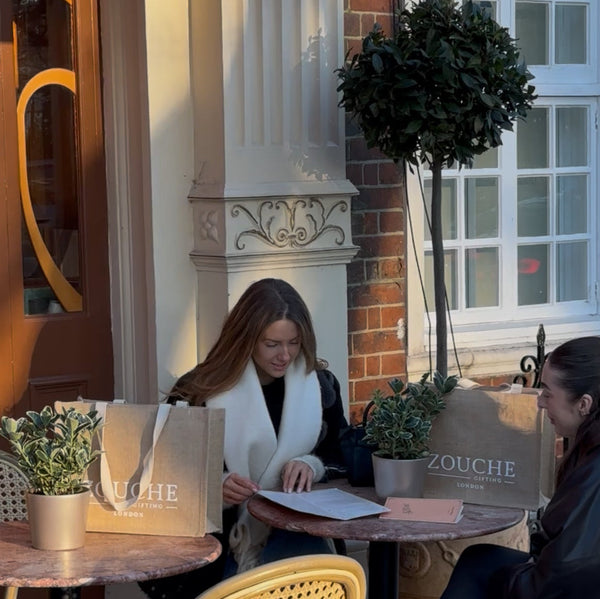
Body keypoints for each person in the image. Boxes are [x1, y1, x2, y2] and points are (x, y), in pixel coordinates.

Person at [139, 278, 348, 599]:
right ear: (245, 338)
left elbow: (340, 456)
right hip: (217, 548)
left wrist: (312, 465)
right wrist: (215, 487)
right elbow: (163, 476)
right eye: (271, 344)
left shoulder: (320, 386)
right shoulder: (198, 390)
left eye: (293, 343)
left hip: (298, 538)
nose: (285, 355)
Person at [440, 336, 600, 599]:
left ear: (583, 404)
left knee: (480, 570)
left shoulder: (595, 471)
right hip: (560, 578)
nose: (539, 402)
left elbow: (564, 576)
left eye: (548, 393)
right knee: (478, 558)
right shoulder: (588, 452)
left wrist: (510, 580)